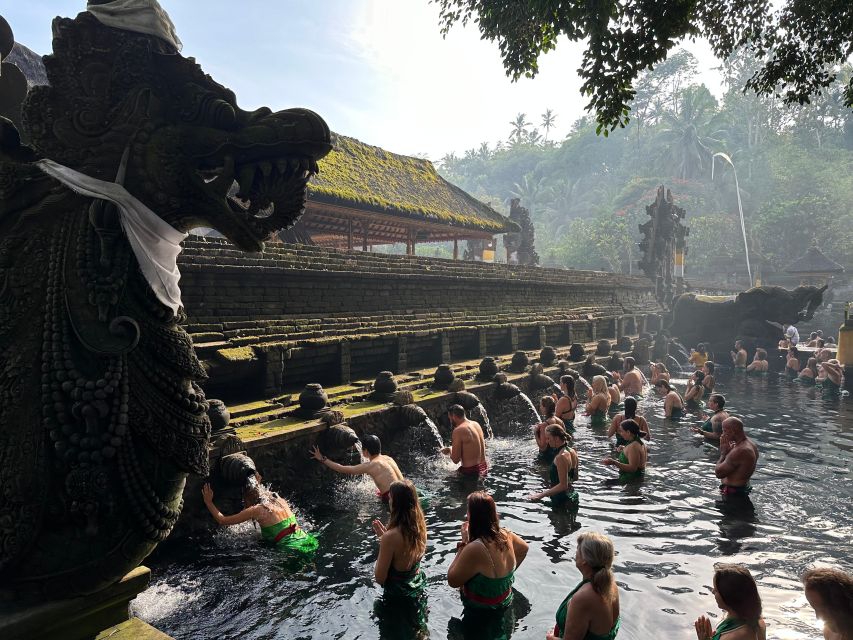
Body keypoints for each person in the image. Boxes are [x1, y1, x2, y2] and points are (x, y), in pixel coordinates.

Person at [447, 491, 528, 610]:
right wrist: (503, 579)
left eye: (468, 511)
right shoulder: (506, 534)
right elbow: (524, 549)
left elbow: (452, 581)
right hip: (506, 600)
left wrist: (463, 543)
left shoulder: (475, 548)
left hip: (482, 611)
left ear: (472, 516)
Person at [201, 480, 318, 553]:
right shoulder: (277, 499)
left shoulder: (256, 510)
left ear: (247, 498)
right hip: (307, 539)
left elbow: (222, 520)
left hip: (291, 547)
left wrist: (209, 502)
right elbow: (259, 492)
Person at [546, 532, 621, 640]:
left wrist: (550, 638)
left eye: (578, 549)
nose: (575, 553)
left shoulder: (583, 597)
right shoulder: (610, 585)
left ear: (585, 560)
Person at [371, 480, 427, 600]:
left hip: (398, 596)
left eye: (390, 498)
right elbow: (404, 555)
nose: (389, 501)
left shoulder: (390, 537)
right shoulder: (421, 526)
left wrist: (384, 543)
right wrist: (385, 539)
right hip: (417, 586)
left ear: (395, 503)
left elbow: (380, 578)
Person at [311, 434, 403, 502]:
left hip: (395, 500)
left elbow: (341, 468)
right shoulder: (388, 458)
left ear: (366, 451)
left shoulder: (372, 465)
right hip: (406, 490)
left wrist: (322, 458)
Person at [694, 563, 766, 640]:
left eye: (716, 590)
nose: (713, 591)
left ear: (729, 596)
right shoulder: (758, 622)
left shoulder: (734, 636)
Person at [528, 425, 579, 508]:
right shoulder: (572, 451)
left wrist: (540, 495)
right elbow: (575, 478)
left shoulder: (560, 457)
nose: (547, 441)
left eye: (548, 438)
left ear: (556, 438)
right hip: (572, 497)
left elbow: (563, 485)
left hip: (561, 500)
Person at [801, 566, 853, 640]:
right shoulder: (829, 632)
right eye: (815, 609)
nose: (818, 617)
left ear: (841, 603)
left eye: (823, 610)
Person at [716, 417, 759, 496]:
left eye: (724, 431)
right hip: (742, 488)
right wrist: (730, 451)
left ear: (732, 431)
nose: (723, 434)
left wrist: (723, 453)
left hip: (733, 494)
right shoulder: (751, 444)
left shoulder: (740, 451)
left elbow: (718, 473)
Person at [441, 404, 488, 476]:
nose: (450, 421)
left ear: (453, 416)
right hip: (484, 467)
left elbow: (456, 460)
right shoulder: (476, 424)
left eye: (450, 418)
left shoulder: (458, 430)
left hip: (470, 472)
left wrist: (450, 449)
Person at [535, 396, 566, 463]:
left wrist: (535, 433)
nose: (540, 408)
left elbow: (543, 447)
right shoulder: (560, 421)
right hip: (559, 453)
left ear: (545, 408)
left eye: (541, 405)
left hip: (547, 457)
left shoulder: (545, 425)